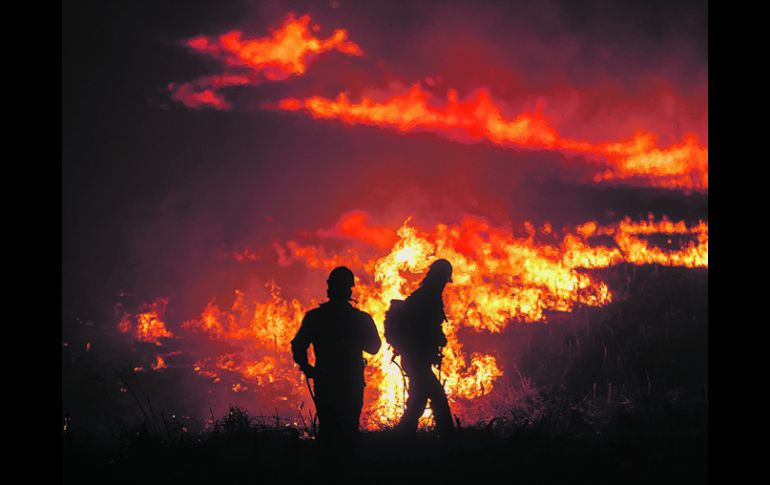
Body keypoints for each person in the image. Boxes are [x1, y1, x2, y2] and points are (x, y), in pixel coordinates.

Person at [291, 266, 381, 446]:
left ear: (330, 288)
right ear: (349, 290)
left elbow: (298, 345)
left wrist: (308, 368)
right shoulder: (360, 319)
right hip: (348, 382)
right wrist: (354, 341)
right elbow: (374, 347)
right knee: (348, 430)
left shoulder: (316, 317)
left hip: (328, 382)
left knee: (329, 430)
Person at [396, 258, 454, 436]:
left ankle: (400, 437)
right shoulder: (426, 298)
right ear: (439, 278)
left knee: (418, 401)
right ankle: (449, 437)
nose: (444, 284)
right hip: (416, 359)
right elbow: (420, 330)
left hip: (417, 359)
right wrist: (435, 340)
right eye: (444, 279)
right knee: (437, 396)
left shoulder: (427, 296)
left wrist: (438, 340)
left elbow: (429, 328)